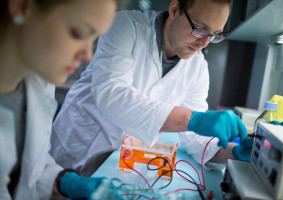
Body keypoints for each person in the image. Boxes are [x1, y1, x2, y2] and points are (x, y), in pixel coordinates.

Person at [50, 0, 253, 176]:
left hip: (121, 166)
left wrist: (235, 153)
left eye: (215, 35)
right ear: (174, 9)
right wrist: (194, 119)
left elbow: (195, 140)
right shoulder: (125, 25)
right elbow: (112, 95)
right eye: (199, 28)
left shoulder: (198, 69)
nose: (204, 43)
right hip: (76, 148)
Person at [0, 0, 126, 199]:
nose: (88, 55)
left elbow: (31, 164)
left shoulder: (38, 82)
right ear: (23, 6)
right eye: (78, 33)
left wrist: (62, 181)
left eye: (93, 38)